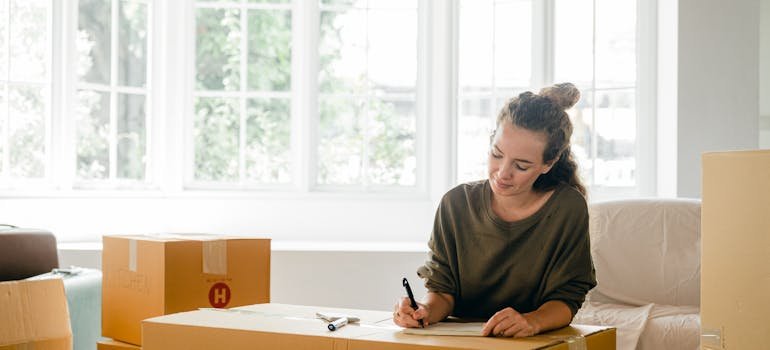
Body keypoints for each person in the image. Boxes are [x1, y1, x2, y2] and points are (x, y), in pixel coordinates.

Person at [393, 83, 596, 338]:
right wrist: (423, 311)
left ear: (549, 163)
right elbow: (442, 292)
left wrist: (531, 321)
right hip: (461, 342)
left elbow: (567, 298)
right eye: (497, 154)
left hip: (531, 341)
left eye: (521, 166)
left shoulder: (567, 208)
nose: (502, 173)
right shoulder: (455, 204)